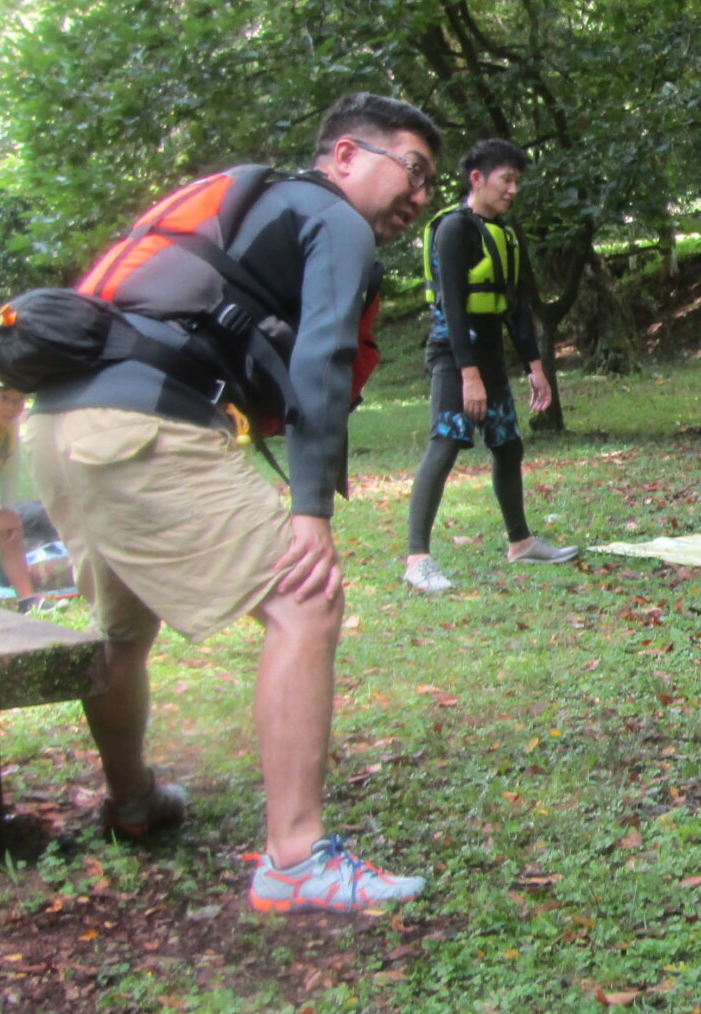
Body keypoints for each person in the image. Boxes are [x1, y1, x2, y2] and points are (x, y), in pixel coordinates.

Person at [24, 92, 439, 912]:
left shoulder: (259, 205)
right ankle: (294, 859)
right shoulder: (338, 221)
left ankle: (133, 800)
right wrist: (311, 510)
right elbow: (323, 356)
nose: (421, 197)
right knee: (305, 598)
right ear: (346, 156)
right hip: (145, 426)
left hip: (61, 428)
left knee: (121, 629)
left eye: (432, 184)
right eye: (414, 170)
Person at [403, 139, 576, 592]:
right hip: (453, 354)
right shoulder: (454, 230)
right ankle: (417, 559)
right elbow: (453, 308)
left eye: (517, 181)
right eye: (507, 180)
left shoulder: (506, 235)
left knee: (508, 446)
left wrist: (535, 367)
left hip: (490, 355)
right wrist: (469, 376)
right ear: (477, 179)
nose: (513, 189)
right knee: (445, 444)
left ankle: (522, 543)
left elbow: (517, 308)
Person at [0, 383, 37, 609]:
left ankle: (28, 601)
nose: (13, 407)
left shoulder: (8, 430)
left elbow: (9, 474)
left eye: (19, 399)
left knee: (9, 526)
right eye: (4, 398)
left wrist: (8, 511)